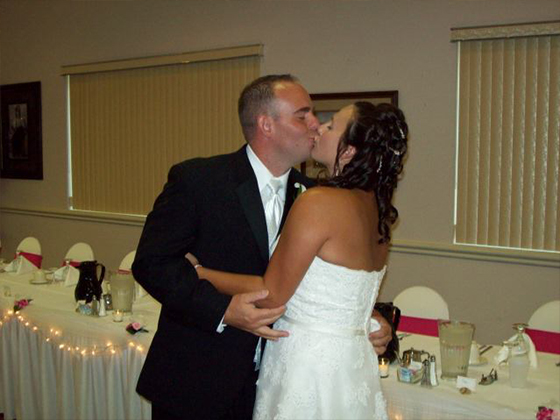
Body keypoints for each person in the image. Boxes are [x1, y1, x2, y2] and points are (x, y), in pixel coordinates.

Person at [132, 74, 392, 420]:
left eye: (316, 116)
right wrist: (222, 311)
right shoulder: (199, 181)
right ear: (266, 125)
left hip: (284, 382)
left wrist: (366, 317)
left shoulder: (317, 196)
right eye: (303, 115)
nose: (314, 125)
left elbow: (316, 283)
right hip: (201, 379)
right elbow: (152, 263)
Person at [190, 100, 408, 419]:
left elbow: (273, 293)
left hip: (308, 367)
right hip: (351, 366)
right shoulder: (377, 214)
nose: (319, 127)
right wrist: (376, 319)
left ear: (348, 152)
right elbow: (343, 293)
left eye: (331, 125)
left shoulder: (319, 201)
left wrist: (199, 272)